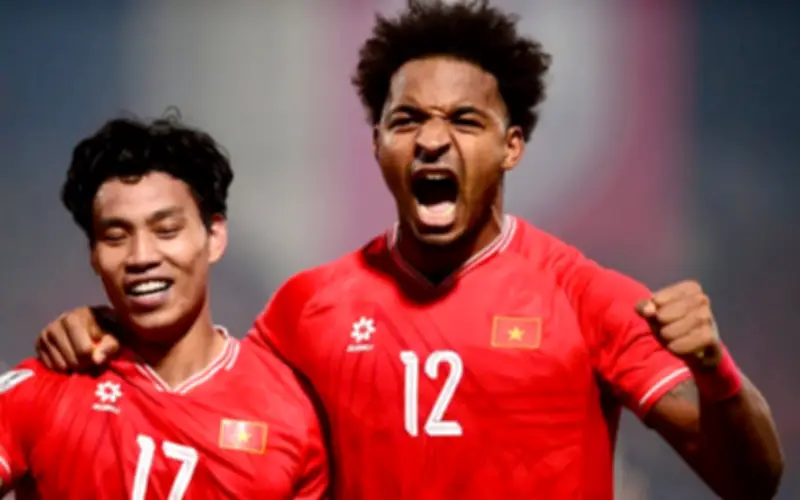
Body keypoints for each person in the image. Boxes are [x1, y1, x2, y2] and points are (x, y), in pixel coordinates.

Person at [34, 2, 782, 499]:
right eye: (407, 120)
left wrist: (716, 371)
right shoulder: (308, 308)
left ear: (512, 146)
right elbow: (200, 398)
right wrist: (107, 331)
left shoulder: (584, 295)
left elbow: (752, 483)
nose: (431, 139)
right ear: (378, 144)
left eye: (464, 120)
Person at [1, 116, 329, 499]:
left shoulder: (290, 414)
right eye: (115, 236)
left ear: (214, 236)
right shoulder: (45, 387)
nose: (142, 257)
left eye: (167, 230)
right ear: (93, 255)